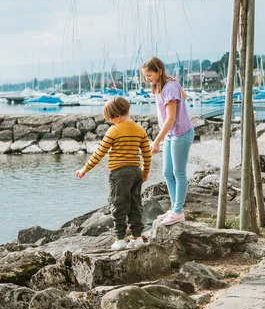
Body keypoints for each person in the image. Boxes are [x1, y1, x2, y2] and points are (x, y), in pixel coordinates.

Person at [74, 96, 152, 250]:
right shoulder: (139, 129)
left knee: (118, 204)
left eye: (110, 118)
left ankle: (120, 239)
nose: (110, 121)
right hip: (136, 171)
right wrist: (145, 171)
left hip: (119, 173)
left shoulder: (114, 130)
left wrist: (84, 169)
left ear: (116, 116)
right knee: (135, 204)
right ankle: (137, 238)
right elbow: (147, 153)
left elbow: (99, 153)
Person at [141, 57, 194, 226]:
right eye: (145, 76)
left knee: (178, 173)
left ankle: (178, 212)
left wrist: (156, 141)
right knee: (167, 172)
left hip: (181, 133)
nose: (147, 79)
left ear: (159, 71)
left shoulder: (169, 87)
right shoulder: (161, 86)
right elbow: (184, 95)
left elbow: (171, 118)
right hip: (172, 134)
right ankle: (174, 209)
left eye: (149, 75)